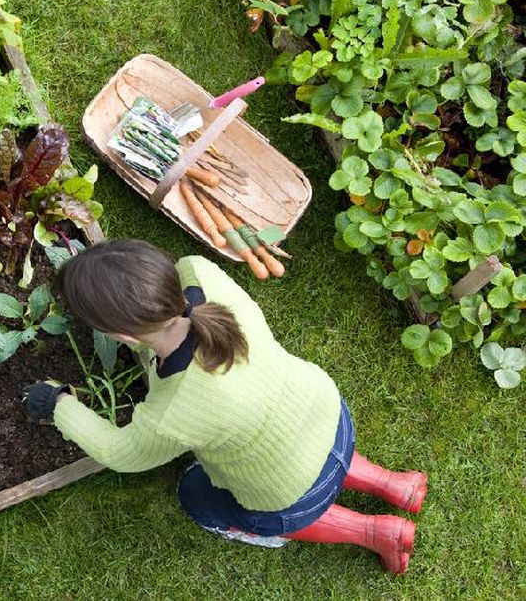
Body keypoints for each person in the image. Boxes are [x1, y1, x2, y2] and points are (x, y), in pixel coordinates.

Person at [23, 239, 427, 573]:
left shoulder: (173, 412)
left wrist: (58, 404)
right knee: (301, 448)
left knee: (195, 495)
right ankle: (395, 485)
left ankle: (375, 532)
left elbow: (120, 452)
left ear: (122, 335)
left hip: (290, 493)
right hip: (328, 415)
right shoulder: (201, 274)